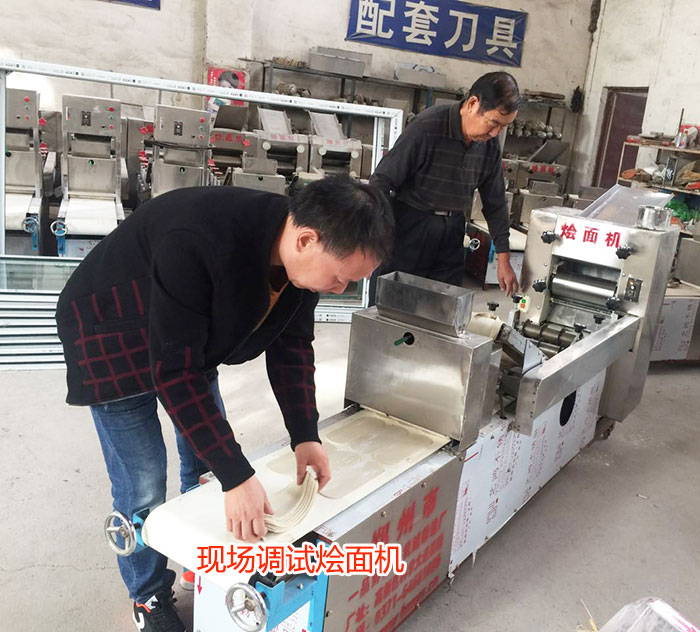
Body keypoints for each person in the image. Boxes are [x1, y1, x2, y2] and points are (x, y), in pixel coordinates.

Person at [55, 175, 394, 632]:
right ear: (307, 240)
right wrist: (237, 476)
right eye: (340, 278)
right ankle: (149, 595)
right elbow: (175, 373)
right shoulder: (200, 240)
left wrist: (305, 435)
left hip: (185, 334)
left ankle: (202, 561)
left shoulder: (298, 261)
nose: (339, 290)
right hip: (111, 332)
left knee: (207, 466)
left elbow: (292, 347)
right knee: (144, 485)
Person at [369, 71, 521, 299]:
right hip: (410, 226)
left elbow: (495, 202)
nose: (495, 133)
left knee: (443, 305)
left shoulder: (488, 145)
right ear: (472, 104)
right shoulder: (427, 127)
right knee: (394, 300)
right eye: (493, 123)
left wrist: (503, 258)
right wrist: (380, 232)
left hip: (452, 230)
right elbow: (381, 181)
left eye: (503, 127)